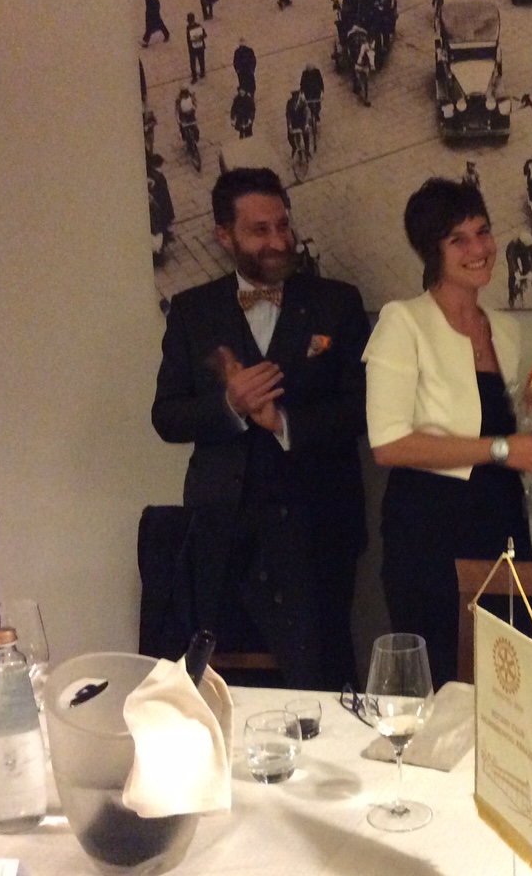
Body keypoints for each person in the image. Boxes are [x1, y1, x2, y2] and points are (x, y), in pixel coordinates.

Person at [152, 168, 370, 690]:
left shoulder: (337, 303)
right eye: (259, 230)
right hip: (223, 528)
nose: (278, 241)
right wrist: (229, 405)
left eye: (282, 226)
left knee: (324, 677)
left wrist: (285, 422)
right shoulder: (192, 311)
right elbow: (167, 416)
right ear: (224, 236)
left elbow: (364, 410)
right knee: (219, 687)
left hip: (319, 525)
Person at [362, 179, 532, 686]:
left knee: (512, 678)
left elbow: (506, 428)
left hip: (501, 521)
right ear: (431, 250)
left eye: (482, 231)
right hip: (428, 527)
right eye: (458, 239)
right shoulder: (403, 321)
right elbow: (388, 445)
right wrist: (503, 450)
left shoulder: (505, 328)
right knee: (441, 680)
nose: (478, 248)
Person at [506, 231, 532, 307]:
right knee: (512, 275)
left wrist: (531, 271)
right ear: (521, 243)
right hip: (512, 254)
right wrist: (516, 271)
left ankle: (524, 285)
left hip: (524, 252)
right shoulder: (512, 245)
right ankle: (511, 297)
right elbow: (511, 259)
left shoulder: (529, 243)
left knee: (527, 266)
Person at [285, 89, 310, 158]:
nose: (295, 96)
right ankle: (294, 147)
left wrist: (307, 123)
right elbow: (288, 114)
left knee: (306, 135)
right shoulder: (289, 102)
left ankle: (307, 150)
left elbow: (307, 111)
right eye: (294, 94)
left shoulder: (303, 102)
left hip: (302, 122)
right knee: (290, 137)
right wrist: (289, 124)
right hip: (293, 123)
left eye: (296, 94)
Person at [299, 63, 324, 127]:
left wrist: (322, 91)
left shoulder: (317, 72)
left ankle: (317, 114)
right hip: (308, 92)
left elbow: (320, 81)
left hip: (316, 91)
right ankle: (312, 114)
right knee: (309, 105)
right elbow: (302, 83)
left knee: (318, 105)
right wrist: (302, 92)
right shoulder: (304, 74)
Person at [187, 13, 207, 83]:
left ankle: (195, 76)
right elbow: (205, 35)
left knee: (193, 62)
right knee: (201, 60)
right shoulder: (199, 26)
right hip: (200, 46)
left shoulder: (188, 28)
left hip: (193, 48)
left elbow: (188, 39)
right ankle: (202, 72)